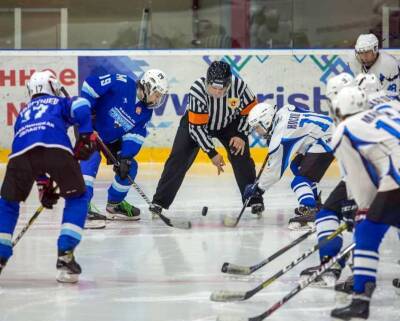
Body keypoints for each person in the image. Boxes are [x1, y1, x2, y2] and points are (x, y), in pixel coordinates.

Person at [0, 70, 96, 283]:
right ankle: (65, 254)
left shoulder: (23, 115)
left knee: (8, 204)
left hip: (19, 156)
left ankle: (0, 252)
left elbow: (33, 151)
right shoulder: (58, 103)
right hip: (57, 150)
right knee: (77, 197)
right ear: (52, 86)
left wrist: (43, 184)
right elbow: (81, 105)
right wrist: (86, 135)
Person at [150, 61, 264, 216]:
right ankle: (159, 202)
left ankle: (254, 198)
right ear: (207, 82)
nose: (217, 92)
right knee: (178, 157)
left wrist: (241, 134)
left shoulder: (239, 87)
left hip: (229, 123)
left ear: (228, 84)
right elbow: (197, 129)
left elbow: (251, 112)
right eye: (214, 88)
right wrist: (212, 153)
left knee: (241, 155)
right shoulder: (197, 89)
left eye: (221, 88)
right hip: (197, 123)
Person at [329, 86, 400, 321]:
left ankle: (360, 300)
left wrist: (362, 209)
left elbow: (360, 177)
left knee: (367, 230)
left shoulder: (343, 130)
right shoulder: (387, 108)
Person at [79, 70, 168, 226]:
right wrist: (85, 116)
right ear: (147, 87)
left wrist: (126, 156)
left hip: (112, 138)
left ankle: (114, 205)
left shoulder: (146, 111)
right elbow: (89, 86)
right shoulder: (121, 82)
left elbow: (135, 135)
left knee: (129, 167)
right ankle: (81, 207)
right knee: (91, 157)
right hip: (90, 126)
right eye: (157, 94)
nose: (158, 99)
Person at [244, 100, 335, 230]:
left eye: (257, 127)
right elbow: (297, 111)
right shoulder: (285, 110)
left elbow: (275, 173)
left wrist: (258, 188)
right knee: (296, 166)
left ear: (267, 121)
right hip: (328, 131)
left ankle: (310, 209)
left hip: (326, 140)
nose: (257, 132)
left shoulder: (280, 138)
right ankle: (315, 202)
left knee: (299, 181)